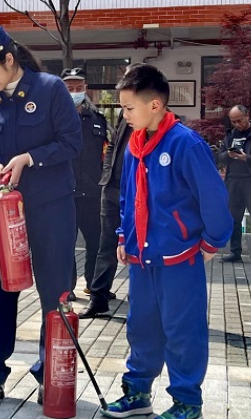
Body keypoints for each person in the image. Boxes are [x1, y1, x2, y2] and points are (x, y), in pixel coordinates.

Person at [0, 25, 81, 408]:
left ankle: (51, 375)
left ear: (9, 60)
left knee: (54, 293)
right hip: (4, 214)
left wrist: (29, 159)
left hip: (51, 208)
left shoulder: (50, 89)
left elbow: (71, 142)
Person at [103, 64, 232, 419]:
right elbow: (129, 196)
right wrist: (122, 236)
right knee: (141, 326)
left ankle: (187, 401)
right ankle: (138, 392)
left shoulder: (185, 144)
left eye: (128, 108)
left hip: (181, 257)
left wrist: (211, 242)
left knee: (182, 331)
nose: (124, 115)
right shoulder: (135, 143)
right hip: (143, 257)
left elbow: (213, 198)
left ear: (155, 106)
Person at [79, 102, 132, 318]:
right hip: (111, 187)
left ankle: (142, 296)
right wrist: (107, 173)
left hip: (136, 190)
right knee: (105, 245)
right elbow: (113, 145)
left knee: (139, 246)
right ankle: (98, 297)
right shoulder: (126, 112)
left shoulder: (156, 116)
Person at [61, 67, 108, 300]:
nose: (75, 92)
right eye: (70, 88)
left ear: (86, 88)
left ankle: (94, 286)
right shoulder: (54, 120)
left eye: (79, 88)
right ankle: (66, 288)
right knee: (65, 245)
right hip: (64, 192)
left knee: (96, 242)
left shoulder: (98, 120)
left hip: (92, 192)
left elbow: (106, 155)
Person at [218, 105, 251, 262]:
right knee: (234, 218)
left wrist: (247, 158)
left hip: (249, 180)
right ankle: (235, 252)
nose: (237, 124)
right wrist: (229, 154)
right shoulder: (230, 135)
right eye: (234, 121)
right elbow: (220, 155)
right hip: (233, 181)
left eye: (240, 120)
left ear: (247, 115)